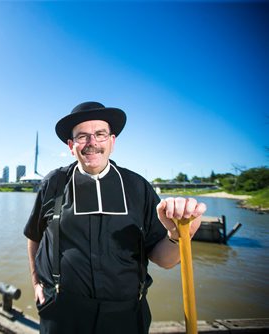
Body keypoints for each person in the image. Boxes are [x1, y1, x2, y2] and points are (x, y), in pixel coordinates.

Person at [24, 101, 207, 334]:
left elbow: (166, 260)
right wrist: (36, 281)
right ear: (71, 146)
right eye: (82, 136)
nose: (92, 143)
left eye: (100, 134)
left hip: (126, 316)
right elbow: (34, 236)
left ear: (112, 141)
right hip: (62, 313)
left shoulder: (138, 187)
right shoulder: (54, 183)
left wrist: (180, 234)